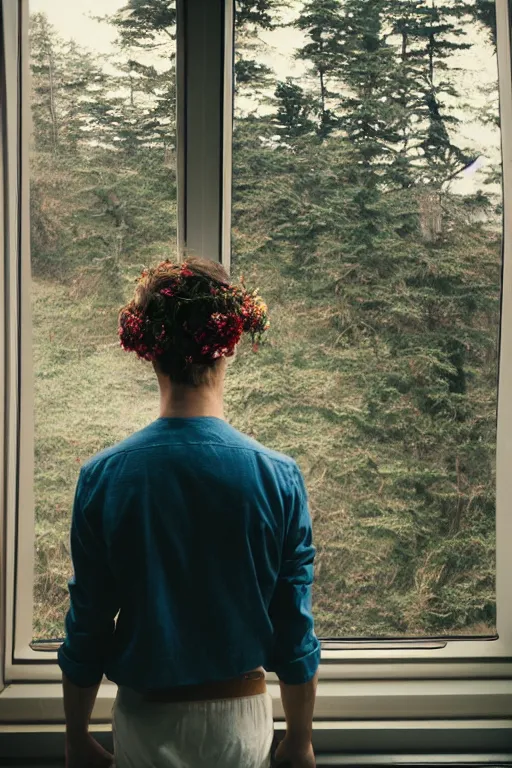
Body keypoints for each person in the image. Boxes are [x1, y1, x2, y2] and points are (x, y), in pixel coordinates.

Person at [58, 256, 320, 768]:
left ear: (150, 356)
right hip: (240, 721)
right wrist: (300, 739)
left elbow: (87, 623)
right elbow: (294, 625)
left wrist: (74, 738)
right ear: (229, 349)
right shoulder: (277, 476)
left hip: (144, 717)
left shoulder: (104, 477)